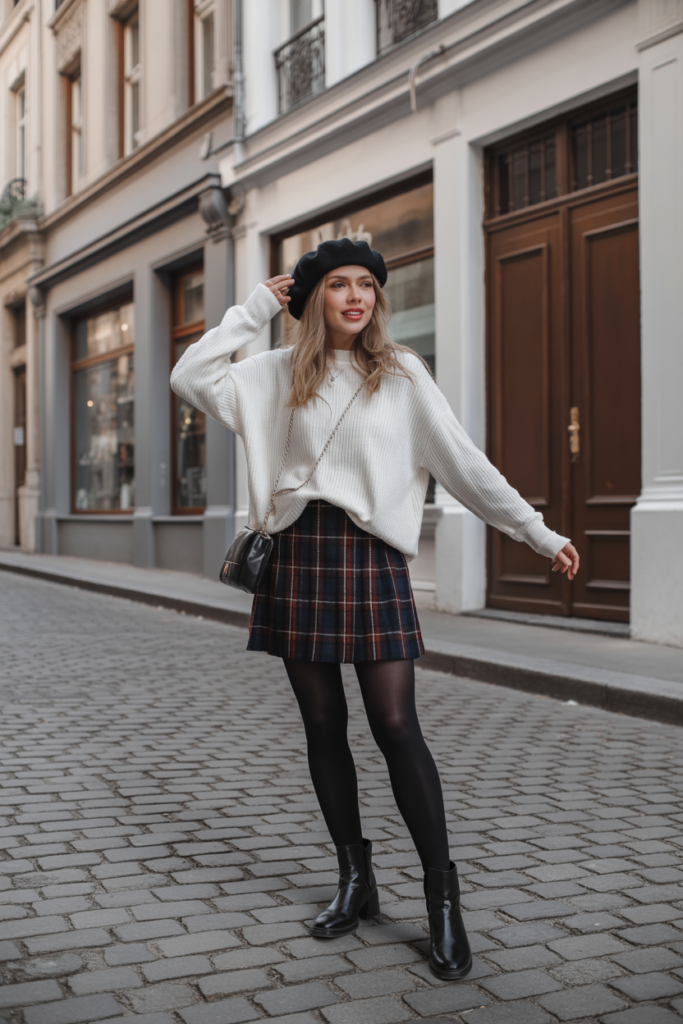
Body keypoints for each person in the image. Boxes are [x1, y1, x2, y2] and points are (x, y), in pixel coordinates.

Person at [170, 238, 579, 981]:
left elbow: (464, 462)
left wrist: (534, 531)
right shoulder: (267, 376)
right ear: (312, 297)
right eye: (337, 285)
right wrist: (256, 308)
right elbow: (188, 374)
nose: (355, 297)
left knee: (395, 725)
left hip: (372, 561)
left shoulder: (400, 373)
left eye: (366, 285)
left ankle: (441, 901)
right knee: (322, 726)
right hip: (297, 559)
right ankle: (355, 879)